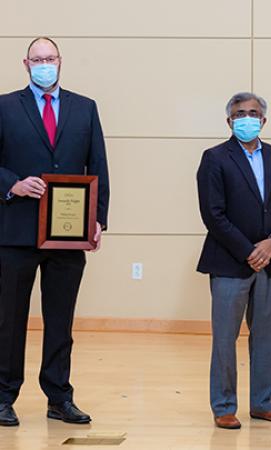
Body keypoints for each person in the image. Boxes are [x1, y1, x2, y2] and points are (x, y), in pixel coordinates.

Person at [0, 37, 109, 426]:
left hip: (68, 234)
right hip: (15, 232)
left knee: (60, 321)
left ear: (60, 62)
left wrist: (98, 219)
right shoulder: (5, 106)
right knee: (9, 320)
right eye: (38, 58)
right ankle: (3, 396)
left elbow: (98, 165)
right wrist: (11, 184)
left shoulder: (85, 108)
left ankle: (59, 397)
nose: (45, 64)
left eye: (51, 57)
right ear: (26, 64)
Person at [196, 92, 271, 430]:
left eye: (253, 113)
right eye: (240, 113)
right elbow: (213, 215)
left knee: (265, 335)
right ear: (229, 121)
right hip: (230, 262)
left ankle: (262, 403)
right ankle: (224, 406)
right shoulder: (214, 158)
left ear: (264, 120)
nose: (247, 118)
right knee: (225, 337)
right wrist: (248, 251)